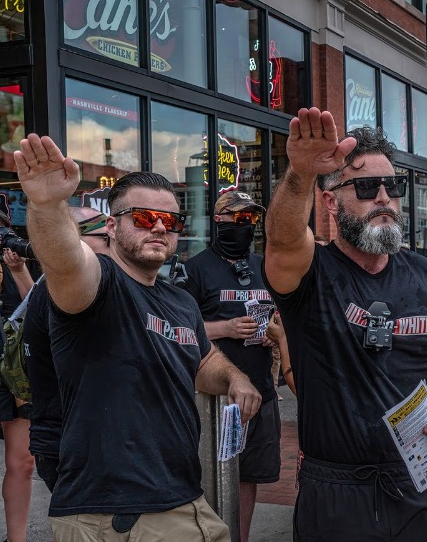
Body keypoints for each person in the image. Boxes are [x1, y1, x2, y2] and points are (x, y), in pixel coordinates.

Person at [14, 134, 262, 541]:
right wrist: (46, 205)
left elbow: (201, 360)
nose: (161, 227)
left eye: (172, 221)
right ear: (111, 226)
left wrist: (235, 377)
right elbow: (64, 260)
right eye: (145, 218)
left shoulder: (179, 301)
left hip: (181, 498)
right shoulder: (99, 282)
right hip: (110, 513)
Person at [263, 107, 427, 540]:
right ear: (329, 201)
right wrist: (301, 174)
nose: (383, 197)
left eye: (391, 186)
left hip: (421, 483)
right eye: (364, 186)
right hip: (337, 492)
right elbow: (282, 239)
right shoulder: (310, 273)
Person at [178, 190, 281, 542]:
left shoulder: (264, 266)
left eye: (251, 219)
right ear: (218, 221)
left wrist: (274, 333)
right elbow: (177, 330)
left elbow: (285, 316)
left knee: (247, 474)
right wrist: (224, 328)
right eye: (238, 218)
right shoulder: (195, 269)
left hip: (260, 392)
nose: (246, 225)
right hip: (211, 396)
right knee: (206, 473)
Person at [24, 207, 111, 494]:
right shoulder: (62, 293)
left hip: (80, 440)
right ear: (70, 242)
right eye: (106, 237)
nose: (115, 241)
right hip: (70, 444)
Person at [0, 207, 35, 542]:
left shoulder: (13, 260)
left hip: (17, 368)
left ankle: (17, 539)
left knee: (23, 462)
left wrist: (18, 268)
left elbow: (36, 305)